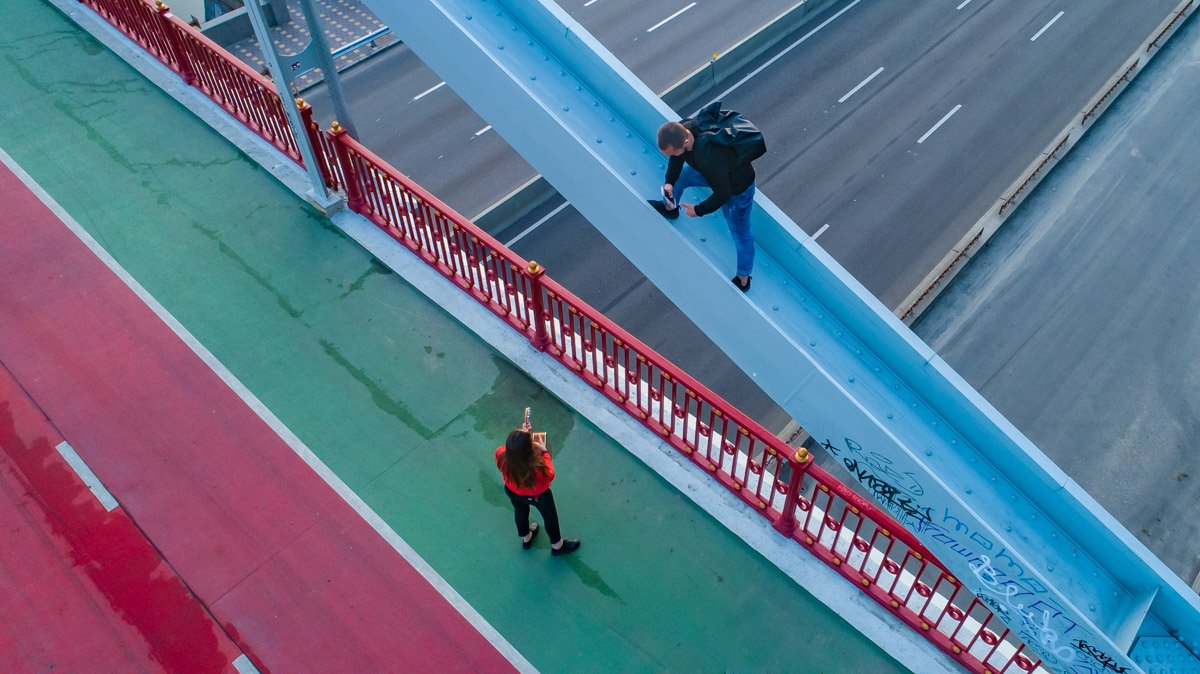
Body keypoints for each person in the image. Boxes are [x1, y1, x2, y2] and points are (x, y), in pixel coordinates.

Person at [655, 111, 761, 292]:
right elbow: (676, 158)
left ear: (686, 142)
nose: (673, 156)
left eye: (675, 152)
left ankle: (743, 278)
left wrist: (698, 210)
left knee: (741, 233)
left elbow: (724, 194)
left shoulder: (708, 156)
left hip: (737, 188)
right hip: (716, 173)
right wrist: (669, 182)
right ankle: (671, 206)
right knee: (682, 177)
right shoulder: (684, 128)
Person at [495, 422, 580, 556]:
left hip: (512, 490)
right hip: (539, 496)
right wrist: (544, 452)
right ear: (529, 450)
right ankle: (557, 545)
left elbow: (516, 454)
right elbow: (550, 475)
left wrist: (524, 435)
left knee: (520, 512)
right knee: (550, 517)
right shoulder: (536, 467)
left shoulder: (501, 454)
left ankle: (526, 537)